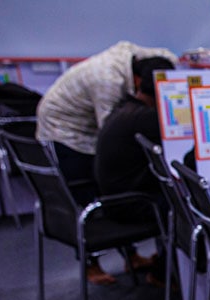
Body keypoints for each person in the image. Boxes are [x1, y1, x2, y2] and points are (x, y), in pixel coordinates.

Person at [36, 41, 176, 283]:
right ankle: (104, 264)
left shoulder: (128, 101)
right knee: (175, 205)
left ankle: (133, 258)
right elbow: (108, 132)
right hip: (65, 133)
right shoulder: (108, 82)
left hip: (114, 186)